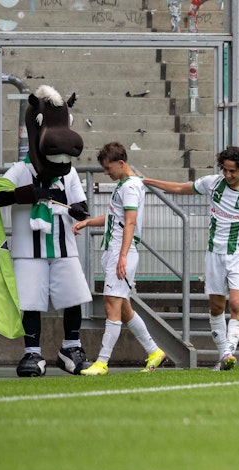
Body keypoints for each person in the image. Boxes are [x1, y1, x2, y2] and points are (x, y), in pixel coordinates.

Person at [143, 147, 239, 371]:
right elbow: (180, 187)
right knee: (216, 307)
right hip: (214, 255)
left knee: (237, 303)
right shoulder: (213, 183)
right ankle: (223, 355)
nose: (228, 175)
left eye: (232, 171)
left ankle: (228, 353)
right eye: (225, 170)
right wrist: (148, 181)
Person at [0, 85, 93, 377]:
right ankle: (32, 353)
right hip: (29, 250)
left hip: (64, 248)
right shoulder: (20, 170)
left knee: (73, 297)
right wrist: (28, 194)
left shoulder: (69, 172)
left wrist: (75, 209)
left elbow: (81, 204)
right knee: (32, 302)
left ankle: (71, 346)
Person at [74, 143, 166, 375]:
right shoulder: (126, 185)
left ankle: (102, 362)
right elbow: (116, 217)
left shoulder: (131, 187)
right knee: (124, 308)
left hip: (121, 252)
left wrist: (122, 256)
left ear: (121, 163)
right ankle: (154, 351)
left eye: (108, 168)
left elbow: (131, 222)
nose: (107, 172)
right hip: (115, 251)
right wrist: (87, 222)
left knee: (111, 304)